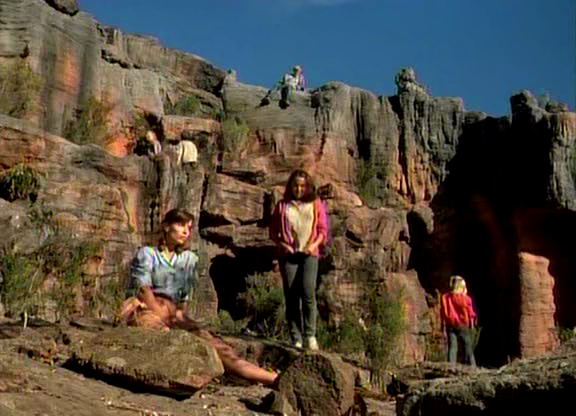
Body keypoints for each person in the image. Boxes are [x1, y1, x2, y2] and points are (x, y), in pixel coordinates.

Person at [119, 208, 278, 385]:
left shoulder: (189, 259)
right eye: (180, 225)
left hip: (174, 315)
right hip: (146, 310)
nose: (186, 231)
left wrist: (184, 323)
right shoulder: (148, 254)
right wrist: (165, 318)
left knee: (216, 345)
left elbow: (182, 301)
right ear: (166, 226)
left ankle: (271, 378)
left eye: (189, 227)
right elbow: (143, 290)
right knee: (167, 337)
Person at [269, 169, 328, 350]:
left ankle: (310, 335)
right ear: (291, 186)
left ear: (308, 187)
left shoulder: (316, 204)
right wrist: (282, 245)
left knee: (308, 292)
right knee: (292, 296)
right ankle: (296, 337)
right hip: (289, 255)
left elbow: (322, 229)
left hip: (310, 253)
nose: (299, 189)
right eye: (296, 185)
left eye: (303, 186)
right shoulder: (282, 205)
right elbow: (273, 232)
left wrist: (314, 245)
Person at [440, 275, 477, 366]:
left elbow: (443, 311)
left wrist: (443, 324)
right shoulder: (466, 299)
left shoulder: (446, 297)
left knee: (452, 347)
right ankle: (473, 366)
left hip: (450, 325)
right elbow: (470, 312)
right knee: (468, 347)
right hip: (463, 325)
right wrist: (471, 324)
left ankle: (450, 367)